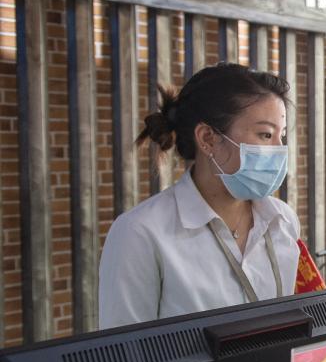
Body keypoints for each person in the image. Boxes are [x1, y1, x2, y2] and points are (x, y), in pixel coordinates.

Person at [99, 64, 301, 328]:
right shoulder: (139, 233)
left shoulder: (282, 220)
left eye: (281, 136)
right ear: (207, 138)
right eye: (265, 134)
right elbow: (124, 348)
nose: (279, 150)